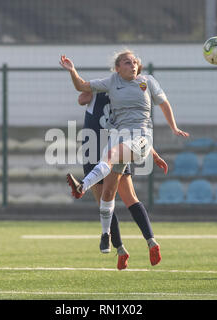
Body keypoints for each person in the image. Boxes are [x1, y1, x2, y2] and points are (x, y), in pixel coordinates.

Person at [60, 50, 189, 263]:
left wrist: (171, 130)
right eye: (127, 62)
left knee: (125, 192)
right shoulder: (110, 84)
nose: (133, 65)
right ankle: (116, 243)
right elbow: (81, 91)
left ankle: (82, 187)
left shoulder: (145, 82)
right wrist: (72, 70)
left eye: (134, 62)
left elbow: (158, 108)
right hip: (106, 142)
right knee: (106, 195)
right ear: (117, 68)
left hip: (131, 140)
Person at [78, 88, 168, 269]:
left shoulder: (127, 98)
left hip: (116, 149)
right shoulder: (98, 91)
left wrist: (153, 153)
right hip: (93, 150)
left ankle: (148, 242)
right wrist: (72, 72)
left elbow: (136, 130)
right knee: (107, 200)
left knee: (123, 197)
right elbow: (81, 94)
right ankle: (122, 249)